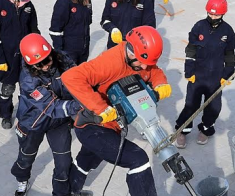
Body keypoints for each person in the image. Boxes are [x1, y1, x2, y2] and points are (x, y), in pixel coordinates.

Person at [62, 26, 172, 196]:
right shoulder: (110, 62)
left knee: (87, 158)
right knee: (139, 160)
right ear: (131, 51)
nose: (144, 67)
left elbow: (154, 71)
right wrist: (101, 108)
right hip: (93, 126)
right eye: (142, 62)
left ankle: (69, 191)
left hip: (113, 126)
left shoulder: (140, 61)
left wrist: (160, 84)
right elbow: (71, 77)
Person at [11, 33, 82, 196]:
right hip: (34, 122)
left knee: (64, 162)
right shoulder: (28, 81)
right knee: (26, 156)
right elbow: (51, 106)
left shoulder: (61, 58)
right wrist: (80, 105)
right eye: (39, 65)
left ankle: (61, 192)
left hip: (58, 122)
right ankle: (22, 179)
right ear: (31, 65)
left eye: (47, 60)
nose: (45, 67)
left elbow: (78, 75)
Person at [174, 0, 235, 148]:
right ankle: (182, 131)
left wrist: (227, 74)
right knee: (191, 105)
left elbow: (229, 54)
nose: (213, 17)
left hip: (216, 77)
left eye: (216, 14)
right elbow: (191, 50)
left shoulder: (228, 32)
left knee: (214, 107)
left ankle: (206, 130)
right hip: (198, 75)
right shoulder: (199, 27)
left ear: (223, 14)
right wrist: (189, 72)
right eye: (210, 13)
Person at [0, 0, 41, 129]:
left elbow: (34, 30)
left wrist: (38, 52)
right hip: (7, 57)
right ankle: (5, 115)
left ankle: (26, 113)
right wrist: (0, 60)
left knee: (28, 87)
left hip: (25, 57)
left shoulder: (29, 7)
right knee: (8, 88)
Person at [49, 0, 93, 65]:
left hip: (83, 49)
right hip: (69, 51)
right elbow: (55, 30)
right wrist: (59, 52)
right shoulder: (64, 2)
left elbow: (88, 21)